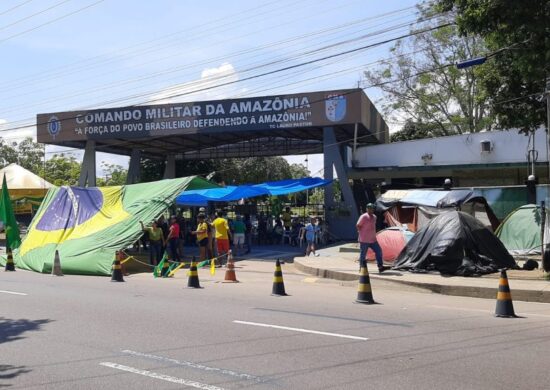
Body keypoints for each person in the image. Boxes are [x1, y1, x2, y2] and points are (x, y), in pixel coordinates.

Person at [356, 203, 389, 273]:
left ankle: (380, 267)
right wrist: (360, 232)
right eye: (369, 208)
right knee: (363, 254)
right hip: (364, 240)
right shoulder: (364, 216)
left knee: (379, 251)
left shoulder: (374, 217)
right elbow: (358, 225)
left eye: (372, 208)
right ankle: (361, 268)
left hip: (373, 239)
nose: (371, 209)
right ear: (367, 209)